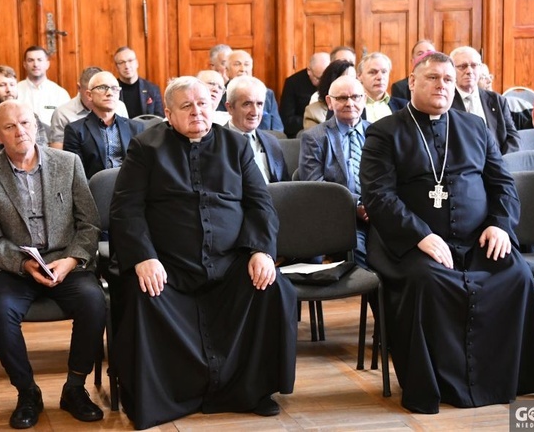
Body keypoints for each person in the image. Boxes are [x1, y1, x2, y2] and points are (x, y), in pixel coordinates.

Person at [361, 51, 534, 414]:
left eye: (448, 79)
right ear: (412, 82)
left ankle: (504, 380)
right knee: (427, 282)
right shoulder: (384, 132)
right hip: (410, 244)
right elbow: (378, 196)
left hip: (476, 238)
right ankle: (436, 385)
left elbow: (503, 184)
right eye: (432, 78)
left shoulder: (474, 127)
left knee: (517, 273)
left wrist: (500, 224)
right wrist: (420, 235)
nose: (442, 85)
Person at [110, 76, 297, 430]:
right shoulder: (145, 147)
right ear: (167, 112)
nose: (198, 111)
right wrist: (143, 257)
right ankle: (164, 397)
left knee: (273, 289)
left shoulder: (235, 146)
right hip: (169, 266)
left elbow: (261, 204)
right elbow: (126, 210)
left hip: (230, 264)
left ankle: (253, 391)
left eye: (204, 104)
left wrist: (260, 251)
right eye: (187, 106)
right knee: (142, 295)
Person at [0, 100, 106, 428]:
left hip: (64, 260)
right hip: (12, 266)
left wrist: (71, 261)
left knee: (94, 301)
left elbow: (89, 224)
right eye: (10, 127)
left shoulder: (67, 162)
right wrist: (23, 264)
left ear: (36, 126)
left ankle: (75, 387)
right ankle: (27, 391)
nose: (21, 132)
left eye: (26, 123)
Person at [298, 75, 370, 266]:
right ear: (330, 102)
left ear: (364, 99)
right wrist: (357, 205)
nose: (350, 103)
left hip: (378, 211)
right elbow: (315, 186)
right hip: (340, 216)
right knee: (363, 255)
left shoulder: (376, 134)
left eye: (355, 97)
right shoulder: (315, 137)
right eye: (342, 98)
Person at [62, 71, 144, 179]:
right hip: (94, 191)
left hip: (129, 189)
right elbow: (76, 175)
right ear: (89, 95)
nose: (110, 93)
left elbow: (143, 168)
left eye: (115, 88)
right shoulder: (75, 130)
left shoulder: (136, 127)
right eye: (102, 87)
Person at [449, 46, 520, 154]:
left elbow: (513, 138)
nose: (469, 71)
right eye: (463, 66)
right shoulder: (446, 102)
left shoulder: (497, 100)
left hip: (498, 163)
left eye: (474, 65)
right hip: (463, 166)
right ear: (451, 70)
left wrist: (502, 162)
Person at [225, 75, 290, 183]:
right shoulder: (215, 142)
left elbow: (285, 185)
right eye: (247, 104)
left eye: (259, 104)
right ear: (230, 108)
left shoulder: (271, 141)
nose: (255, 112)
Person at [48, 66, 128, 148]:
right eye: (91, 92)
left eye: (103, 88)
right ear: (79, 88)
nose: (95, 97)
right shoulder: (62, 113)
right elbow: (57, 152)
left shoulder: (119, 106)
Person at [218, 49, 284, 132]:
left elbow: (277, 129)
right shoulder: (219, 94)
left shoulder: (266, 93)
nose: (243, 69)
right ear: (227, 71)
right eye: (237, 64)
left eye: (246, 64)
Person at [17, 45, 71, 128]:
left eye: (40, 60)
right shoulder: (15, 91)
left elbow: (68, 124)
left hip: (53, 140)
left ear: (47, 64)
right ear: (24, 64)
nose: (35, 64)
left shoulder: (60, 93)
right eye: (31, 60)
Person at [280, 52, 330, 137]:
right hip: (302, 132)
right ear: (309, 71)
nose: (323, 82)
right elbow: (287, 121)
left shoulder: (334, 80)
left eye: (326, 78)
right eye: (319, 78)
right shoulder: (293, 83)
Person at [303, 59, 356, 130]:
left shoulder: (360, 108)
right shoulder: (313, 113)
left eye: (354, 79)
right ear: (332, 82)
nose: (352, 84)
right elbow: (317, 139)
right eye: (345, 80)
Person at [357, 52, 408, 123]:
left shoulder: (404, 106)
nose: (380, 77)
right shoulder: (352, 106)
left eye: (384, 72)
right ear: (359, 76)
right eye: (373, 72)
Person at [113, 46, 164, 117]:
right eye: (121, 62)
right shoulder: (112, 91)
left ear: (136, 63)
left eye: (130, 61)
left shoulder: (152, 89)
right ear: (116, 67)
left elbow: (160, 118)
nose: (127, 66)